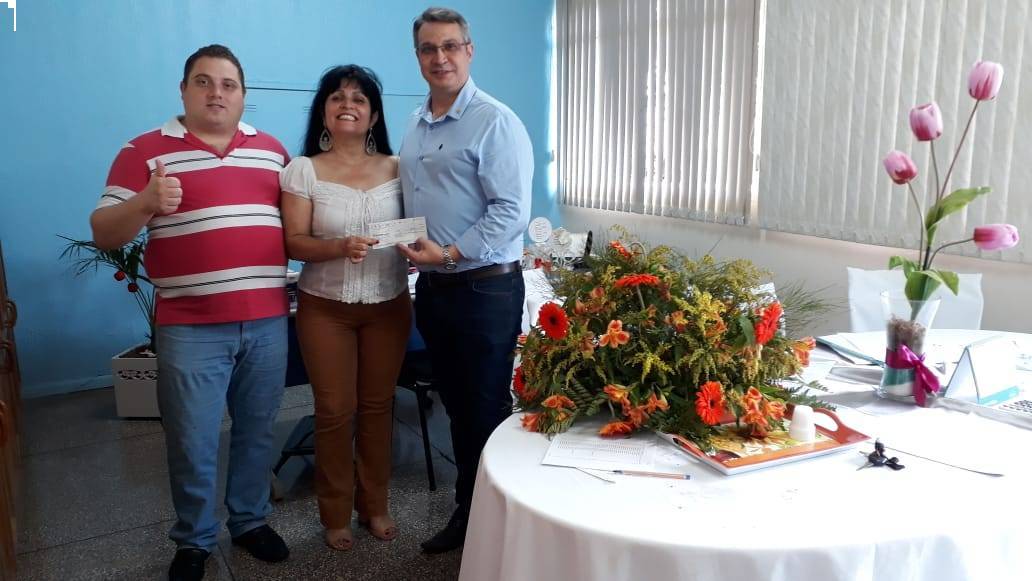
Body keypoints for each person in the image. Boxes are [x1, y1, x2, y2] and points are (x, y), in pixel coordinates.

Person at [90, 45, 291, 581]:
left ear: (243, 95)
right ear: (183, 91)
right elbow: (104, 233)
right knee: (192, 439)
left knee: (257, 430)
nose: (216, 93)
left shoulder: (273, 152)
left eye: (228, 84)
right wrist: (145, 202)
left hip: (269, 321)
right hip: (191, 326)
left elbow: (297, 224)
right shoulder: (143, 151)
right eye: (203, 82)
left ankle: (249, 521)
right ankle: (195, 539)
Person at [397, 6, 534, 554]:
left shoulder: (495, 120)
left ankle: (498, 525)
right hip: (435, 289)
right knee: (456, 405)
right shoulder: (416, 123)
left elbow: (511, 211)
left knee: (485, 409)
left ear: (469, 51)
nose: (440, 57)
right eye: (429, 48)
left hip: (484, 288)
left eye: (450, 46)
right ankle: (471, 511)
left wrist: (451, 253)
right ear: (418, 57)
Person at [280, 65, 411, 551]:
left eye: (359, 98)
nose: (347, 105)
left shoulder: (400, 167)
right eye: (337, 97)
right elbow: (294, 242)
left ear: (374, 115)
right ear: (324, 111)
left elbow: (419, 225)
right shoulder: (304, 169)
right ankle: (334, 513)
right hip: (325, 308)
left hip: (388, 305)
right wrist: (338, 247)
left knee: (378, 408)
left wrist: (420, 247)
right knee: (335, 411)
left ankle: (375, 505)